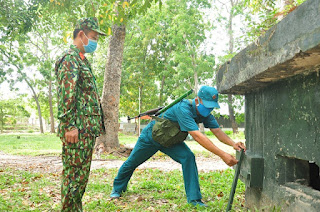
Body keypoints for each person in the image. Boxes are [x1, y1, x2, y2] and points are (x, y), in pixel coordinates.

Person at [110, 86, 246, 207]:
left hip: (171, 142)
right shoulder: (183, 108)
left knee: (188, 157)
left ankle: (194, 199)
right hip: (151, 138)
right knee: (132, 162)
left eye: (212, 106)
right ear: (197, 100)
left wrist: (233, 144)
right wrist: (222, 154)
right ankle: (117, 188)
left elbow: (218, 132)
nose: (209, 109)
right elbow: (198, 136)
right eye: (207, 105)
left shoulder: (206, 115)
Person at [55, 17, 106, 211]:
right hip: (76, 131)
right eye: (93, 37)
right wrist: (69, 126)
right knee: (73, 179)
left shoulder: (82, 60)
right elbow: (67, 94)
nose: (95, 42)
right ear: (81, 35)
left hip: (85, 131)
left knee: (80, 180)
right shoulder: (70, 59)